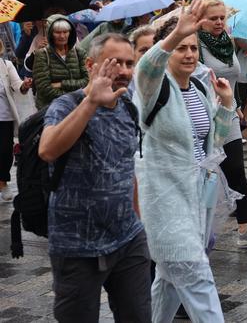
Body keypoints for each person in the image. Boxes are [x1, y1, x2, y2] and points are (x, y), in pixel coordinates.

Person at [133, 0, 237, 322]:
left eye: (193, 48)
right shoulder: (153, 88)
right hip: (165, 202)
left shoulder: (197, 87)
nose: (190, 54)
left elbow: (213, 144)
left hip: (197, 199)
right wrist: (177, 32)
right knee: (197, 276)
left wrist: (226, 104)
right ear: (169, 53)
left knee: (167, 284)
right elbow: (146, 67)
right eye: (181, 48)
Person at [38, 33, 150, 322]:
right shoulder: (66, 105)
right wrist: (90, 103)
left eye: (129, 63)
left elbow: (126, 167)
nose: (124, 71)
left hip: (127, 238)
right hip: (78, 244)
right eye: (115, 63)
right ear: (91, 65)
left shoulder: (128, 107)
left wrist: (137, 221)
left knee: (138, 317)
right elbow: (48, 150)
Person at [195, 0, 247, 246]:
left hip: (228, 112)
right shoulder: (194, 44)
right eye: (212, 18)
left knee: (236, 167)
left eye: (221, 18)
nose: (218, 22)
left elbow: (233, 78)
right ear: (200, 19)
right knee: (207, 173)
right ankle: (199, 228)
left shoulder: (226, 39)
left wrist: (235, 105)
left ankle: (245, 228)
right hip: (202, 116)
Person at [32, 15, 88, 109]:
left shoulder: (79, 53)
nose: (62, 36)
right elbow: (44, 88)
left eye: (65, 32)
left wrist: (61, 84)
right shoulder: (42, 54)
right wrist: (72, 97)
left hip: (77, 109)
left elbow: (87, 81)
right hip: (50, 110)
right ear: (50, 33)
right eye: (57, 32)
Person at [0, 39, 32, 201]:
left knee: (5, 151)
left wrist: (25, 85)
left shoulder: (6, 65)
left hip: (4, 116)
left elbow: (17, 84)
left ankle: (3, 182)